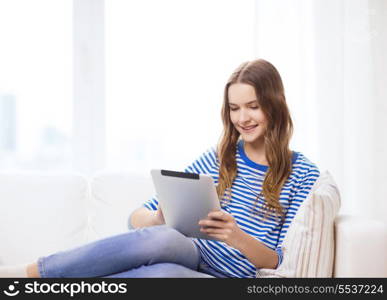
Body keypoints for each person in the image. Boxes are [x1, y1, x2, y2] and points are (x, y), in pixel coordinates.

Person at [0, 59, 319, 278]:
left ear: (274, 105)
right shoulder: (221, 158)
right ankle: (30, 275)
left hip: (228, 277)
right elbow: (136, 219)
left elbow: (283, 262)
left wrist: (236, 237)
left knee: (160, 275)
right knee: (161, 238)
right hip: (193, 255)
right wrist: (158, 219)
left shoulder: (302, 174)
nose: (242, 118)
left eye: (253, 106)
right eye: (234, 108)